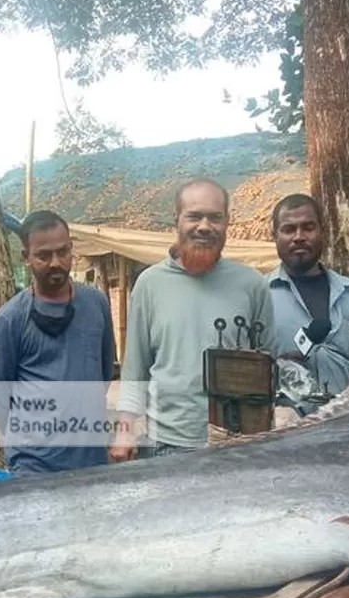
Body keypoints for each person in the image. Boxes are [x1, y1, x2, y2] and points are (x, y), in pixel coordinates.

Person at [111, 178, 276, 460]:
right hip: (165, 442)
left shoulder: (253, 285)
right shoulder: (150, 284)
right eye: (194, 216)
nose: (204, 226)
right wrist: (125, 430)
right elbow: (135, 370)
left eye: (215, 217)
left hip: (240, 444)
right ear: (176, 219)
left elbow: (271, 368)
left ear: (227, 222)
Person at [0, 209, 117, 475]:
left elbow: (103, 371)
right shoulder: (10, 319)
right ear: (26, 258)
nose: (56, 262)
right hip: (34, 465)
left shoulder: (96, 304)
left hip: (91, 459)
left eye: (63, 252)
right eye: (43, 256)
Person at [267, 193, 349, 400]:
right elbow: (243, 374)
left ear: (322, 231)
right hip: (286, 424)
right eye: (289, 229)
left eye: (308, 227)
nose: (299, 236)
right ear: (275, 236)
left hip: (348, 420)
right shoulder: (259, 298)